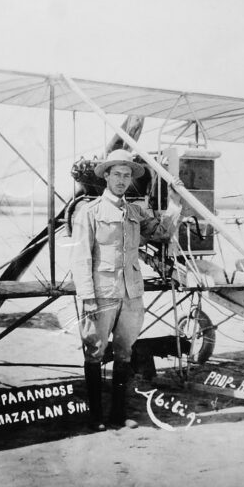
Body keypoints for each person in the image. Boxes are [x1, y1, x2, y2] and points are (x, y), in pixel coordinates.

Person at [70, 149, 182, 430]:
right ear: (106, 176)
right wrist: (86, 297)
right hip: (102, 294)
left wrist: (176, 201)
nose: (122, 180)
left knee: (124, 353)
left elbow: (162, 231)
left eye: (127, 175)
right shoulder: (90, 212)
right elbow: (81, 257)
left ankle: (119, 414)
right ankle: (96, 417)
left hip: (132, 295)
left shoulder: (134, 212)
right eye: (117, 174)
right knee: (94, 352)